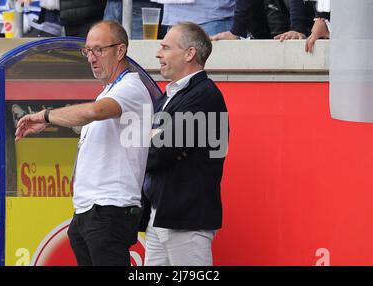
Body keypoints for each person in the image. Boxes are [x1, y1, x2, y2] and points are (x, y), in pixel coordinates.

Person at [15, 20, 153, 266]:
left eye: (99, 50)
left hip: (109, 208)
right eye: (87, 51)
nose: (91, 58)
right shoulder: (110, 90)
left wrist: (46, 116)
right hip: (90, 211)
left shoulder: (130, 87)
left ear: (120, 51)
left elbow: (95, 111)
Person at [140, 22, 229, 266]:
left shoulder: (204, 96)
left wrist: (151, 140)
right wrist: (151, 140)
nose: (158, 54)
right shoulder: (169, 97)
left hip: (186, 220)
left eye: (166, 47)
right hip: (161, 216)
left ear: (189, 54)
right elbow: (152, 146)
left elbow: (159, 151)